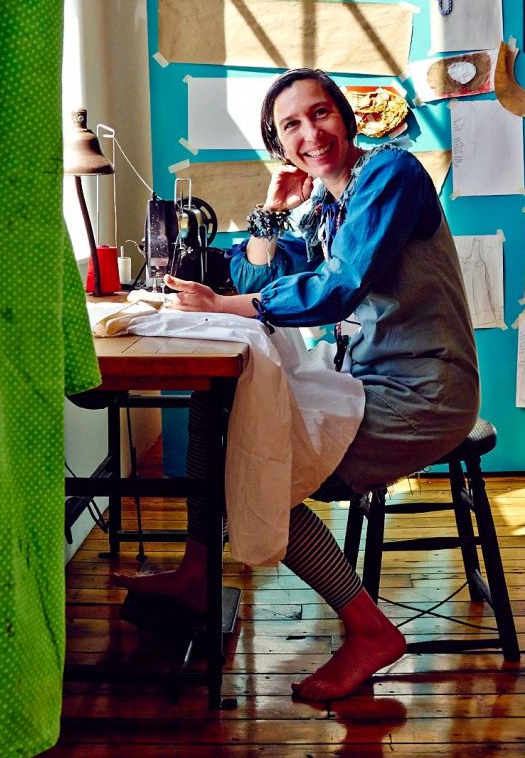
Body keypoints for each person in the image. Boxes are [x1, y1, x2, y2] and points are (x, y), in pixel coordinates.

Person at [115, 68, 480, 701]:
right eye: (291, 126)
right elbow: (254, 276)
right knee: (215, 410)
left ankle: (370, 630)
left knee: (258, 465)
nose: (311, 133)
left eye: (320, 113)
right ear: (279, 144)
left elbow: (338, 286)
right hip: (366, 379)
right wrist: (272, 212)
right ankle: (197, 573)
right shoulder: (328, 208)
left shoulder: (391, 174)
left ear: (347, 117)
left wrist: (227, 307)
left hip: (425, 391)